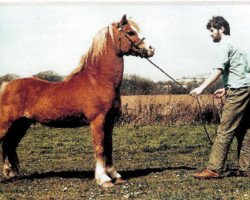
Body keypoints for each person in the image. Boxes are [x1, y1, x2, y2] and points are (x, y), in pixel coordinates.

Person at [190, 16, 250, 178]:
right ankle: (246, 169)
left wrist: (201, 88)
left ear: (221, 29)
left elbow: (218, 70)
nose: (210, 34)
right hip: (246, 89)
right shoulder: (239, 44)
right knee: (244, 130)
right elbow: (243, 71)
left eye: (211, 30)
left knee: (225, 130)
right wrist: (225, 88)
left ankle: (214, 169)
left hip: (238, 91)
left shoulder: (225, 44)